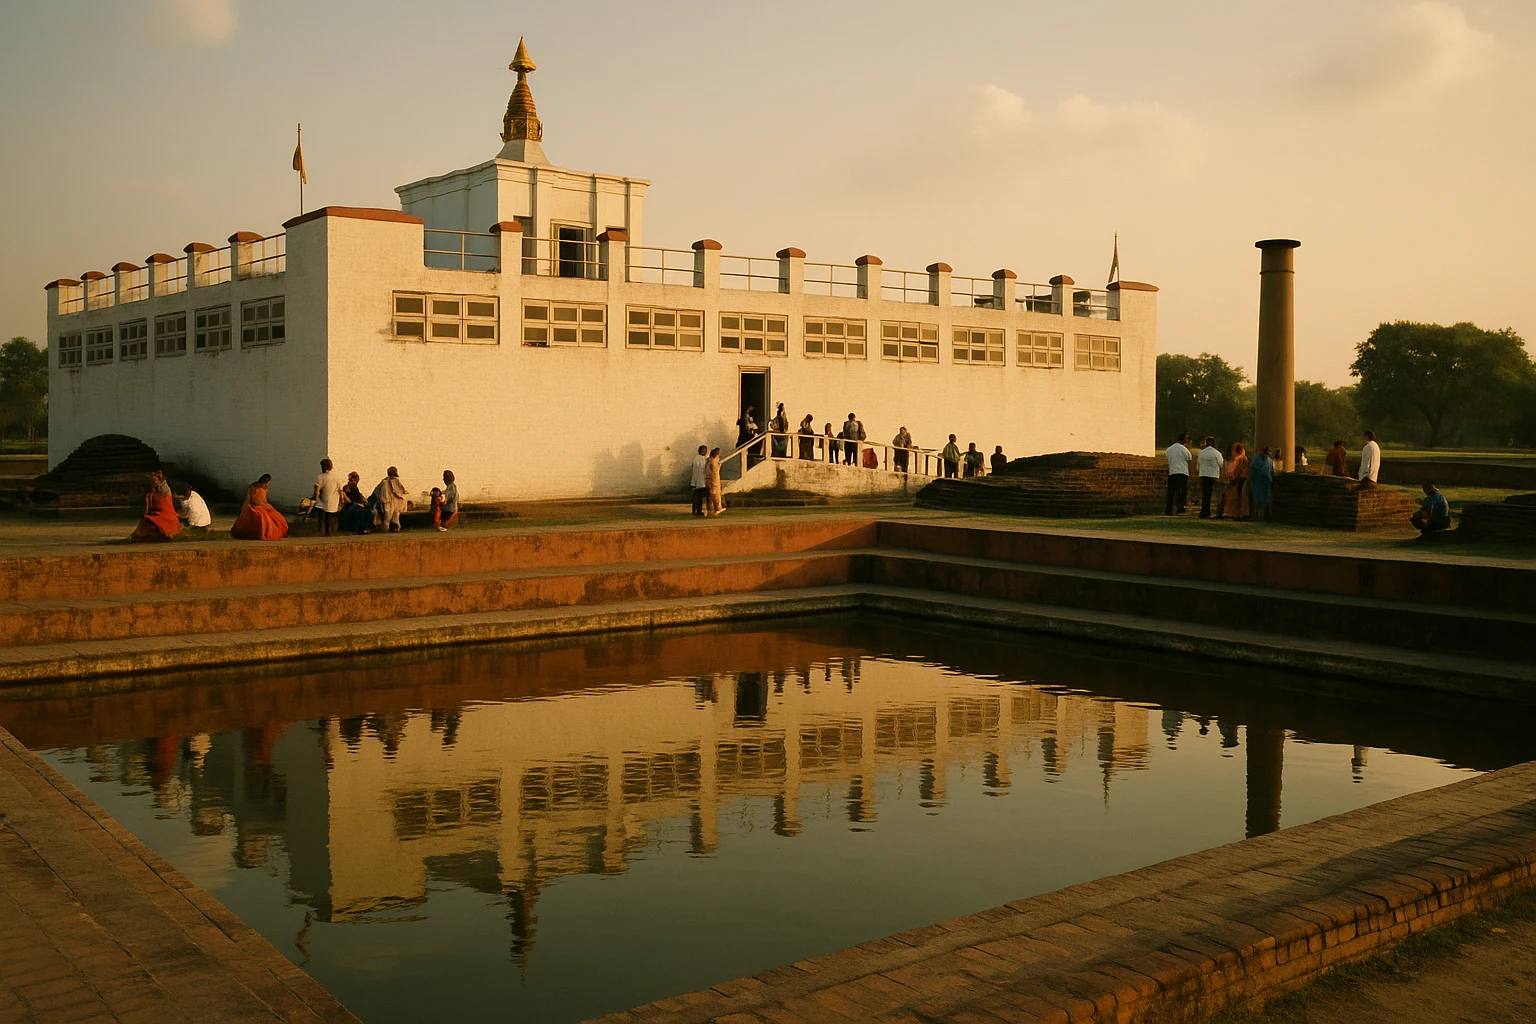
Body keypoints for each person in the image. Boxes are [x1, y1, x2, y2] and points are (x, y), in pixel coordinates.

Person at [231, 474, 289, 540]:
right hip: (254, 506)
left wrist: (266, 505)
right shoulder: (253, 487)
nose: (267, 484)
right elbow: (249, 499)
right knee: (263, 517)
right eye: (266, 483)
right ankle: (262, 534)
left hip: (264, 505)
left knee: (277, 517)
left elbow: (264, 498)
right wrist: (251, 506)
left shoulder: (265, 487)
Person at [130, 470, 181, 543]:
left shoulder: (164, 489)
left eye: (154, 478)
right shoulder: (151, 492)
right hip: (155, 514)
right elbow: (148, 510)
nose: (152, 480)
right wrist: (146, 503)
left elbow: (162, 486)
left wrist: (161, 478)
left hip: (166, 514)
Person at [372, 467, 410, 533]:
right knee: (390, 516)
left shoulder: (386, 482)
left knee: (391, 516)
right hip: (389, 501)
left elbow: (377, 491)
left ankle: (391, 528)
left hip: (391, 502)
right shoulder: (386, 482)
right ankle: (390, 528)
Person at [312, 458, 342, 537]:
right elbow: (340, 490)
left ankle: (321, 532)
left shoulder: (320, 477)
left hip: (322, 500)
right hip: (333, 501)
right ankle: (329, 533)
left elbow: (317, 490)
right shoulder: (336, 476)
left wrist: (314, 498)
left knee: (322, 518)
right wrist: (341, 500)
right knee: (330, 519)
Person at [1219, 442, 1251, 518]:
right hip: (1242, 478)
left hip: (1238, 479)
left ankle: (1234, 512)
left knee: (1235, 496)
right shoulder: (1244, 458)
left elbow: (1237, 469)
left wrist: (1233, 477)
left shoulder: (1239, 459)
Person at [1164, 432, 1192, 515]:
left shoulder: (1169, 449)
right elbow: (1189, 459)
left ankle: (1169, 509)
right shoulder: (1184, 450)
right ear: (1183, 439)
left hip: (1172, 472)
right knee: (1181, 491)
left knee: (1171, 492)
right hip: (1182, 472)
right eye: (1186, 438)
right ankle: (1180, 508)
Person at [1197, 436, 1223, 518]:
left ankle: (1204, 511)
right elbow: (1221, 464)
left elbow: (1198, 463)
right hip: (1212, 474)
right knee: (1210, 494)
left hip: (1203, 474)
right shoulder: (1216, 453)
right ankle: (1208, 511)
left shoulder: (1201, 453)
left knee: (1205, 494)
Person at [1249, 446, 1275, 521]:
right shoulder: (1268, 460)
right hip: (1261, 481)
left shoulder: (1259, 459)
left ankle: (1259, 515)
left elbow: (1251, 468)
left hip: (1261, 481)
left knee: (1258, 498)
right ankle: (1261, 515)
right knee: (1262, 498)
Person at [689, 444, 709, 516]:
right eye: (703, 450)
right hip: (701, 481)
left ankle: (696, 511)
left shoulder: (696, 458)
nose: (705, 452)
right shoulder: (702, 459)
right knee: (699, 498)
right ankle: (698, 511)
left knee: (697, 497)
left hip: (697, 481)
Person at [705, 447, 723, 515]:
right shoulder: (713, 462)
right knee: (716, 495)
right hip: (714, 479)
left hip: (708, 479)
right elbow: (715, 472)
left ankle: (709, 509)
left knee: (710, 496)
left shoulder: (708, 461)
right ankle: (717, 508)